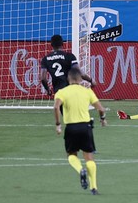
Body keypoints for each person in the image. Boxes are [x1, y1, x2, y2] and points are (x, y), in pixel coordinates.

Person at [54, 67, 107, 195]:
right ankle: (93, 188)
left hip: (71, 128)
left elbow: (56, 107)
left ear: (68, 78)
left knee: (71, 155)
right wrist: (102, 119)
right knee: (89, 157)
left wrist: (58, 124)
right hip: (85, 127)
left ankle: (80, 170)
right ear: (80, 79)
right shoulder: (87, 91)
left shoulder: (62, 92)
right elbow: (101, 109)